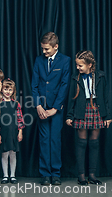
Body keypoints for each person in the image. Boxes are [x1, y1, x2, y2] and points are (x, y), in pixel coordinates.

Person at [65, 51, 112, 185]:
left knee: (94, 143)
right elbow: (71, 99)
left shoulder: (101, 76)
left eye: (80, 65)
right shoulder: (75, 78)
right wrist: (69, 115)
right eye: (77, 65)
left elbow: (105, 97)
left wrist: (108, 116)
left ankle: (92, 175)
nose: (78, 68)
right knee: (81, 143)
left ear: (90, 64)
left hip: (97, 109)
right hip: (81, 109)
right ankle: (81, 176)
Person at [30, 32, 70, 185]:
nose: (44, 52)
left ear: (56, 47)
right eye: (43, 49)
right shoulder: (38, 60)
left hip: (55, 109)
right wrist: (38, 105)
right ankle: (45, 174)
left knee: (55, 141)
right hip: (42, 107)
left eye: (46, 49)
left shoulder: (65, 60)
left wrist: (56, 108)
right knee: (44, 141)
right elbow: (34, 85)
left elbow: (64, 85)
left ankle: (56, 173)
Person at [0, 78, 25, 184]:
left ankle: (13, 175)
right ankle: (5, 176)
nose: (8, 92)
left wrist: (20, 132)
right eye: (6, 89)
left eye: (10, 90)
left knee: (13, 154)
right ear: (2, 90)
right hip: (3, 132)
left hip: (14, 132)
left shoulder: (16, 104)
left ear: (13, 91)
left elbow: (20, 119)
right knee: (4, 154)